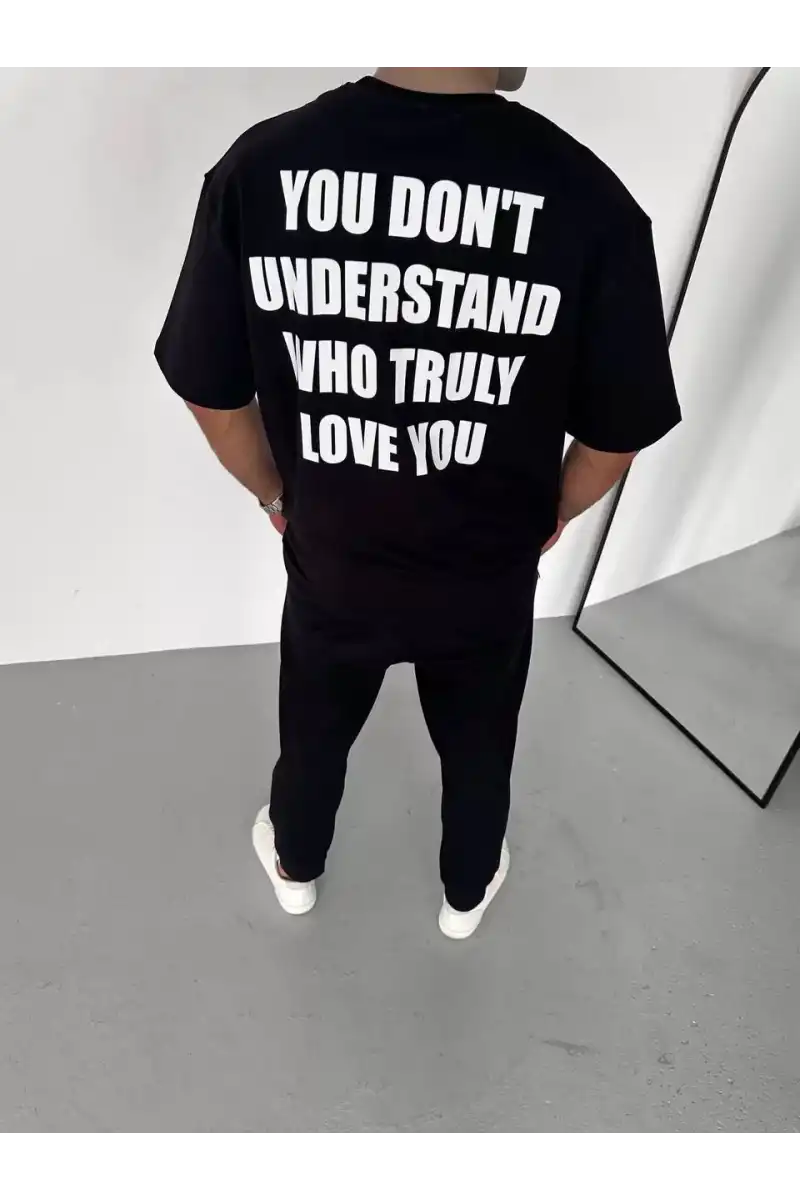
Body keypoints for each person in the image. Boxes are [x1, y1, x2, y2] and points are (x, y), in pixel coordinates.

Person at [155, 64, 681, 939]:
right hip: (487, 572)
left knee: (314, 730)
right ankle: (466, 890)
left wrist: (274, 494)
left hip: (334, 557)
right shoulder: (590, 197)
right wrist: (553, 511)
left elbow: (210, 391)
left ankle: (296, 863)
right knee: (479, 744)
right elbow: (616, 434)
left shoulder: (261, 168)